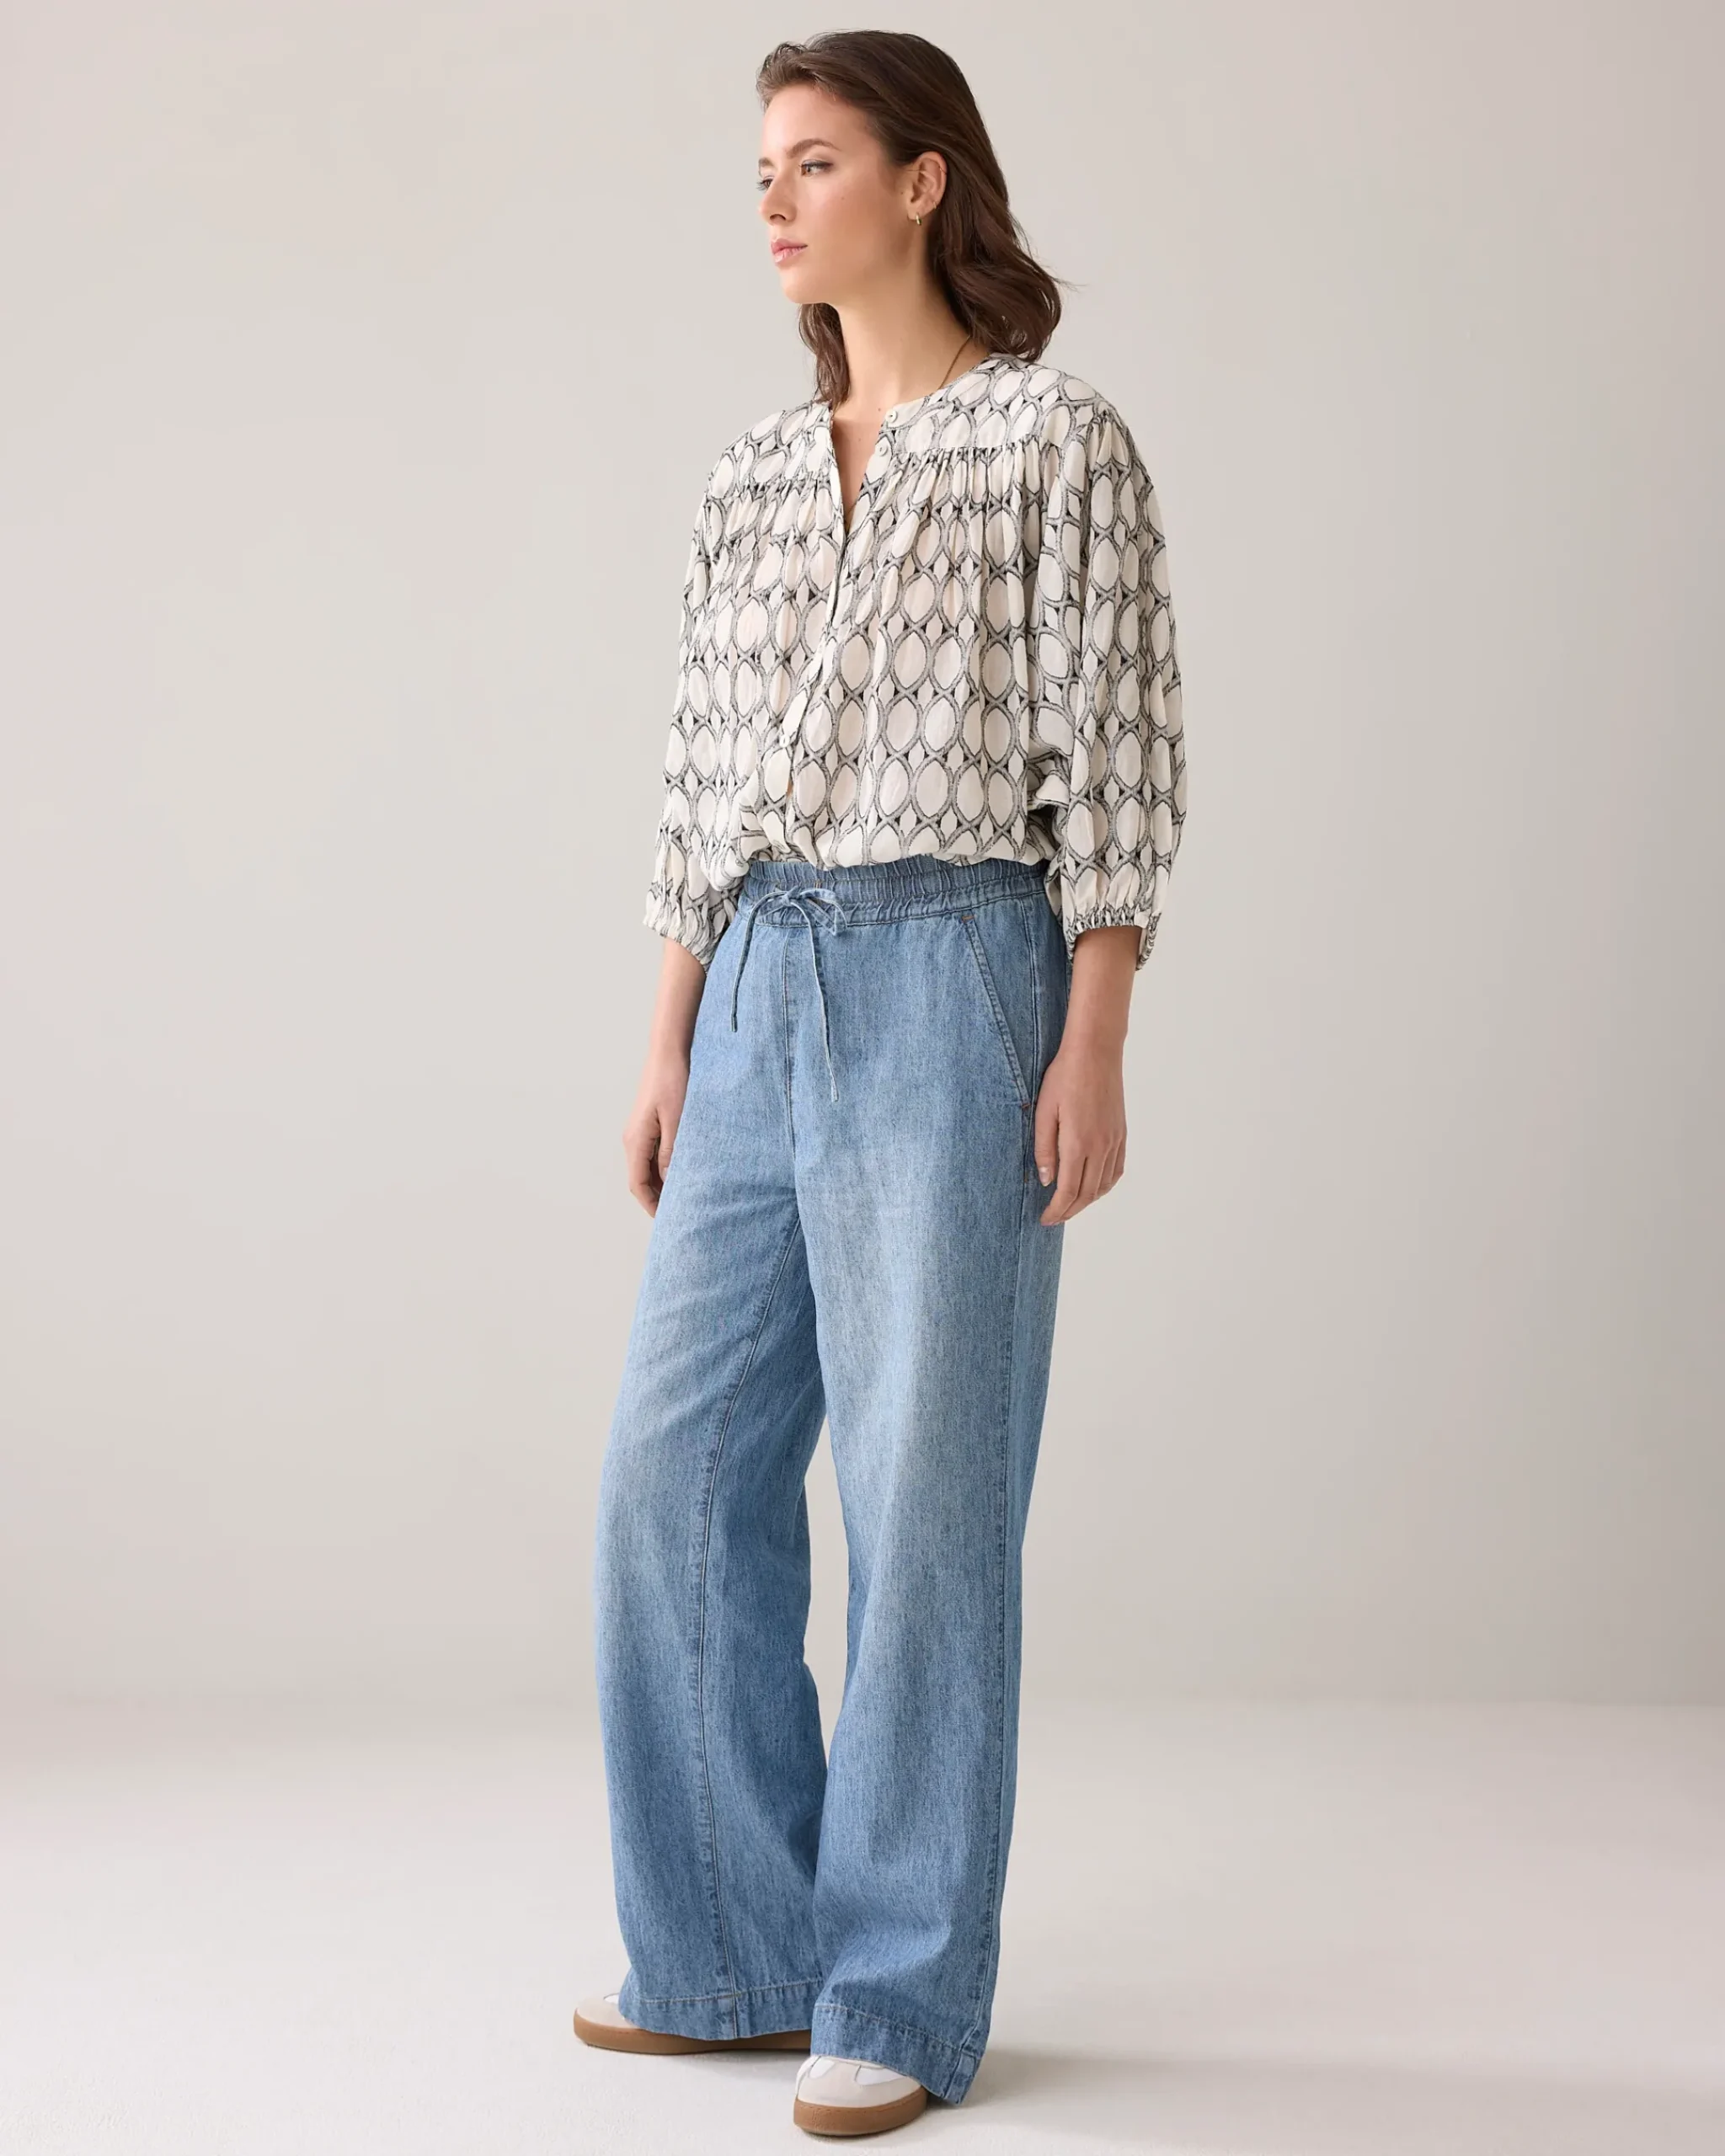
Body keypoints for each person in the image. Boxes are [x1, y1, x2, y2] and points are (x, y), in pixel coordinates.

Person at [574, 29, 1186, 2139]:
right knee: (673, 1471)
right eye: (761, 165)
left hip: (959, 964)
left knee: (925, 1504)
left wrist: (1093, 1028)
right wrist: (671, 1031)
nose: (771, 199)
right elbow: (698, 773)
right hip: (757, 968)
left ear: (922, 182)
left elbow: (1117, 750)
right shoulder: (753, 474)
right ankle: (730, 1947)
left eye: (813, 161)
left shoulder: (1052, 440)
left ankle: (899, 1989)